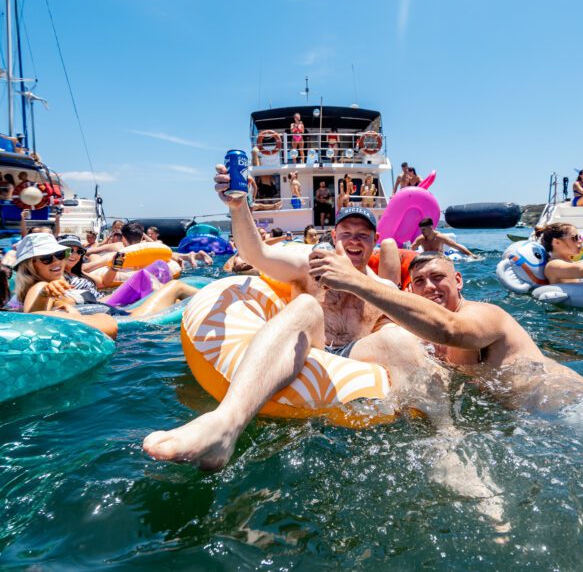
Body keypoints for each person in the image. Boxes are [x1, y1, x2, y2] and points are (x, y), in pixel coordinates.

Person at [142, 171, 444, 469]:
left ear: (375, 241)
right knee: (305, 306)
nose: (354, 241)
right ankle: (226, 424)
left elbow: (419, 332)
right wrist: (238, 206)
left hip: (356, 359)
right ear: (334, 237)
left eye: (363, 235)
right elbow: (254, 253)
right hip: (309, 346)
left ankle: (446, 446)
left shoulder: (383, 288)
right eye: (347, 233)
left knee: (397, 337)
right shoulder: (309, 266)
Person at [308, 249, 583, 413]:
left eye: (438, 277)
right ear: (409, 291)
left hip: (579, 406)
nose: (430, 287)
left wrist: (356, 281)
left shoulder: (482, 315)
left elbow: (449, 329)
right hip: (538, 419)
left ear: (458, 280)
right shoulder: (421, 334)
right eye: (419, 282)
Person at [13, 233, 198, 328]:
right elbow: (33, 317)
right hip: (130, 322)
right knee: (176, 286)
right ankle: (225, 303)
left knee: (171, 292)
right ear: (31, 265)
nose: (56, 261)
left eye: (60, 254)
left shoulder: (61, 282)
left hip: (120, 316)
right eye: (46, 259)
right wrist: (45, 293)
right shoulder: (40, 286)